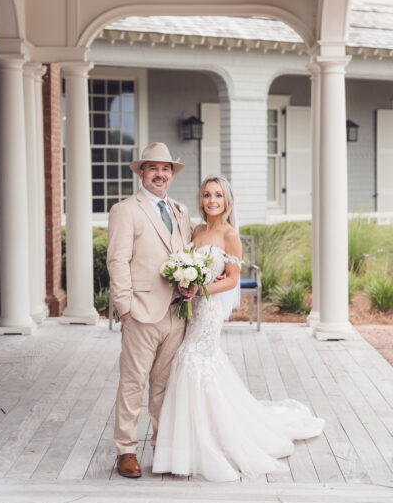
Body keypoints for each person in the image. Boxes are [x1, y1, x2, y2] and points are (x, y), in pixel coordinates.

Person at [152, 175, 325, 482]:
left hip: (209, 310)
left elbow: (231, 279)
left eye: (218, 195)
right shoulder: (198, 230)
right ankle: (185, 444)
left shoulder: (230, 235)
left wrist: (200, 288)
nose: (212, 200)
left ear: (227, 200)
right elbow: (185, 263)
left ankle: (208, 443)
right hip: (189, 308)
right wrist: (184, 283)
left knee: (192, 360)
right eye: (207, 195)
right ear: (201, 199)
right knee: (187, 360)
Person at [107, 142, 192, 479]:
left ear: (171, 175)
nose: (160, 174)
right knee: (133, 383)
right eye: (153, 168)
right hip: (140, 312)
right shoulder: (125, 210)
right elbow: (117, 260)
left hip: (177, 312)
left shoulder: (181, 211)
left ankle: (162, 447)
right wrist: (125, 307)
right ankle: (126, 450)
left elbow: (186, 258)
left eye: (166, 169)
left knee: (164, 385)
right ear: (141, 173)